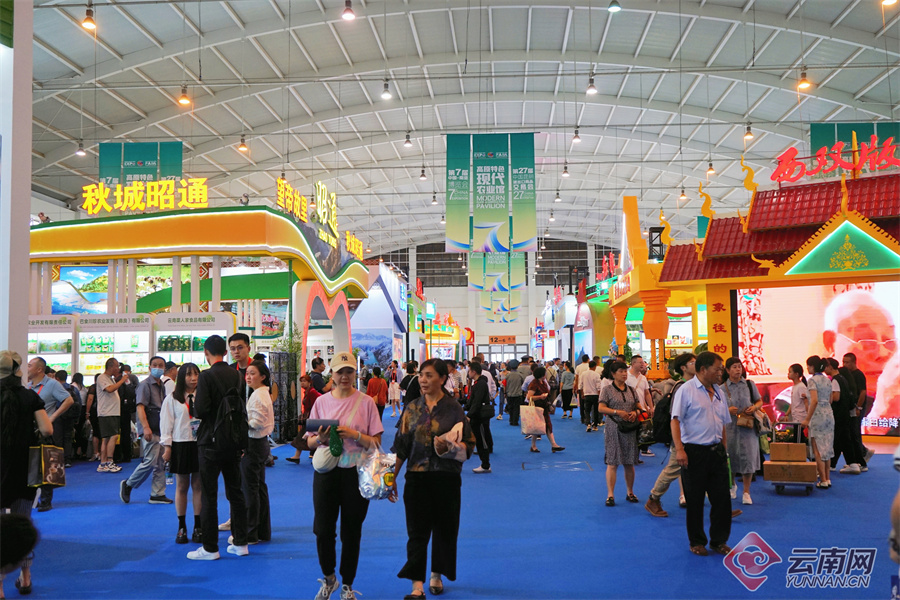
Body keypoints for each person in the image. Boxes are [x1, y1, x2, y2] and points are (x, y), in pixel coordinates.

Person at [390, 358, 475, 599]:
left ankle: (436, 574)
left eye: (429, 375)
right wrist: (391, 477)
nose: (423, 380)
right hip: (416, 478)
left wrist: (451, 446)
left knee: (445, 529)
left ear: (442, 378)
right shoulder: (412, 408)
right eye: (421, 375)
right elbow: (401, 447)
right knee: (416, 532)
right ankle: (416, 585)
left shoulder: (454, 408)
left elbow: (469, 445)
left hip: (447, 478)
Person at [304, 351, 384, 600]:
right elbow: (309, 442)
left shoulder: (366, 402)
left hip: (356, 474)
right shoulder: (321, 402)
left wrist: (354, 435)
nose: (345, 376)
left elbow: (376, 443)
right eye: (340, 372)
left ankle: (348, 584)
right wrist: (320, 439)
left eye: (349, 371)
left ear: (355, 373)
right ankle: (329, 578)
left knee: (352, 531)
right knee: (322, 530)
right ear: (333, 374)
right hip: (326, 473)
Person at [188, 335, 249, 561]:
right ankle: (241, 542)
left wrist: (194, 402)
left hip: (210, 442)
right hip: (233, 440)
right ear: (225, 351)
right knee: (236, 492)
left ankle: (210, 547)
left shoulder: (206, 376)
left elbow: (201, 410)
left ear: (206, 352)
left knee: (209, 495)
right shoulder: (236, 374)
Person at [0, 351, 53, 596]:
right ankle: (26, 576)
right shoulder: (30, 396)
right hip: (24, 469)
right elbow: (47, 429)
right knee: (22, 523)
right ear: (18, 371)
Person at [670, 351, 733, 556]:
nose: (720, 373)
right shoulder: (686, 390)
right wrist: (680, 449)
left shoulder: (719, 392)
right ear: (703, 369)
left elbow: (723, 423)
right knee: (695, 500)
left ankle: (719, 541)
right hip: (694, 452)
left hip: (716, 452)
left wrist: (724, 450)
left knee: (722, 500)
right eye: (717, 369)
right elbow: (675, 420)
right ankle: (697, 542)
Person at [645, 353, 695, 518]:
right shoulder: (681, 387)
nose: (696, 364)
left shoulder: (696, 385)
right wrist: (678, 443)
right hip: (683, 437)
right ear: (683, 368)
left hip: (696, 436)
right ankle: (654, 498)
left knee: (706, 469)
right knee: (672, 470)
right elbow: (676, 416)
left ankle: (720, 504)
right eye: (692, 362)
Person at [160, 363, 203, 545]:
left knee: (198, 486)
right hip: (180, 444)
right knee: (182, 486)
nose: (193, 378)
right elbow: (166, 424)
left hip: (200, 445)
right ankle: (182, 526)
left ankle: (198, 526)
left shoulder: (203, 396)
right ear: (181, 377)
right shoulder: (172, 398)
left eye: (196, 374)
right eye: (189, 375)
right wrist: (167, 447)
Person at [120, 356, 172, 505]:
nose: (158, 368)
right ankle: (129, 484)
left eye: (161, 365)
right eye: (155, 365)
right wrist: (146, 427)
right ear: (149, 368)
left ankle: (157, 493)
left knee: (161, 462)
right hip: (150, 427)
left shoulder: (161, 385)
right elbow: (140, 407)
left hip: (160, 428)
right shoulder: (144, 385)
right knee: (150, 461)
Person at [25, 357, 73, 512]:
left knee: (45, 465)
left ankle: (46, 501)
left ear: (39, 369)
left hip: (45, 431)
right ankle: (33, 499)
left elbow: (68, 400)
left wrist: (52, 417)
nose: (27, 368)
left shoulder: (52, 384)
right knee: (32, 465)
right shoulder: (28, 386)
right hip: (31, 430)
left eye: (30, 366)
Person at [596, 361, 640, 506]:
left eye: (625, 371)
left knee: (629, 462)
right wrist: (617, 412)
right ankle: (610, 495)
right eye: (621, 371)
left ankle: (630, 492)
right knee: (613, 462)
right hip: (613, 428)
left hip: (630, 429)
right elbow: (601, 408)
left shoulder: (632, 390)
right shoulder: (607, 390)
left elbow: (638, 406)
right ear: (613, 374)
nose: (624, 374)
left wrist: (635, 412)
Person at [241, 360, 274, 545]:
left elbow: (257, 422)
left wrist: (241, 423)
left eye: (252, 373)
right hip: (260, 443)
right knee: (259, 487)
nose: (248, 377)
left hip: (254, 443)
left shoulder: (258, 395)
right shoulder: (262, 393)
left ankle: (250, 533)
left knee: (250, 489)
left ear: (263, 376)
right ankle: (262, 531)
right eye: (247, 373)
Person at [721, 358, 762, 505]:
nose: (738, 369)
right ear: (727, 370)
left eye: (739, 367)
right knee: (730, 457)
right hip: (730, 427)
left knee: (748, 458)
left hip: (748, 427)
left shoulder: (749, 384)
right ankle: (732, 485)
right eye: (734, 367)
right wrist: (727, 410)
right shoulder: (721, 388)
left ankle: (746, 492)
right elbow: (716, 408)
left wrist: (754, 407)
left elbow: (759, 401)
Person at [825, 359, 863, 474]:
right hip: (844, 414)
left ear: (830, 367)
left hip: (838, 415)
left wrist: (825, 398)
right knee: (842, 440)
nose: (824, 369)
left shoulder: (836, 380)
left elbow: (836, 397)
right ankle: (846, 464)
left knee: (840, 440)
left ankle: (848, 464)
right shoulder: (843, 379)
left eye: (825, 366)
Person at [805, 355, 836, 489]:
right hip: (828, 413)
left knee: (817, 449)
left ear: (812, 366)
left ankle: (822, 479)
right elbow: (830, 399)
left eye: (808, 366)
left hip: (817, 415)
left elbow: (814, 400)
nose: (807, 368)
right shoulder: (828, 380)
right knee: (827, 448)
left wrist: (807, 418)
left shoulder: (812, 381)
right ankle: (827, 478)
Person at [842, 352, 872, 471]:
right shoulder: (847, 374)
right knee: (852, 433)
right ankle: (860, 455)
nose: (845, 364)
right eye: (843, 362)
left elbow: (863, 392)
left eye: (847, 362)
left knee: (855, 433)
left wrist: (858, 407)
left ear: (854, 362)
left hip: (858, 408)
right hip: (852, 407)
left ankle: (861, 458)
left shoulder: (859, 375)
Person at [525, 366, 565, 454]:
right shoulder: (533, 384)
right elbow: (529, 397)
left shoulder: (543, 382)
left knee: (545, 426)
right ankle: (551, 445)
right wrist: (540, 397)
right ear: (542, 374)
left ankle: (550, 445)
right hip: (537, 408)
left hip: (544, 407)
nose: (546, 374)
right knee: (538, 427)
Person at [465, 362, 493, 473]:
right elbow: (472, 400)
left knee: (481, 441)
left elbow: (477, 402)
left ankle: (485, 465)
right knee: (479, 440)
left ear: (474, 372)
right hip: (476, 415)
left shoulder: (480, 384)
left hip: (479, 417)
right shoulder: (477, 383)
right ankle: (484, 464)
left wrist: (469, 415)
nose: (468, 373)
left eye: (469, 371)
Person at [288, 374, 322, 464]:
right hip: (310, 418)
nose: (302, 383)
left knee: (303, 437)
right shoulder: (308, 392)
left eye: (304, 381)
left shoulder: (312, 392)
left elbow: (316, 405)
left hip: (312, 419)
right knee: (303, 437)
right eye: (301, 381)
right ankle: (298, 456)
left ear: (310, 382)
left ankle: (298, 456)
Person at [627, 356, 655, 457]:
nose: (643, 364)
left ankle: (640, 451)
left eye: (643, 362)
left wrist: (651, 407)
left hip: (642, 410)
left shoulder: (643, 378)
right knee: (631, 432)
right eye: (641, 362)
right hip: (629, 410)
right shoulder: (626, 376)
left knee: (642, 430)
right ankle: (632, 454)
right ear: (633, 363)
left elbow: (647, 393)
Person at [781, 364, 809, 430]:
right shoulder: (794, 386)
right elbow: (793, 403)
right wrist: (787, 414)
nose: (788, 374)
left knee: (800, 435)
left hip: (801, 418)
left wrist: (808, 418)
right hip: (796, 418)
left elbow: (806, 402)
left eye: (790, 372)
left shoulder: (801, 387)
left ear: (796, 374)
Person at [581, 361, 603, 432]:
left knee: (587, 410)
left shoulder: (583, 374)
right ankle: (595, 425)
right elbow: (598, 386)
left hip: (587, 394)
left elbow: (581, 385)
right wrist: (600, 395)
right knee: (595, 410)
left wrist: (582, 393)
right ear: (595, 366)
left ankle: (588, 424)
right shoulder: (596, 375)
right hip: (595, 394)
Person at [504, 360, 525, 427]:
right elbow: (523, 384)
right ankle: (515, 421)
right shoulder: (520, 375)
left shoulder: (508, 375)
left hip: (509, 393)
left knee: (510, 407)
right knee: (516, 408)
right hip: (518, 394)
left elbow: (505, 385)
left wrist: (505, 392)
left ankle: (511, 420)